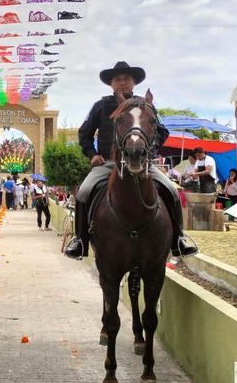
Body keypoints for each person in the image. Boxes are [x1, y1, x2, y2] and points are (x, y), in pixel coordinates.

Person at [64, 61, 198, 259]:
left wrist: (147, 151)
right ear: (111, 84)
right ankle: (80, 241)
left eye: (126, 79)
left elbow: (161, 132)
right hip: (108, 163)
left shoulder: (145, 105)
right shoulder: (101, 106)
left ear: (134, 82)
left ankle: (179, 239)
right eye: (117, 79)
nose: (121, 83)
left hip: (142, 162)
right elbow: (85, 133)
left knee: (172, 191)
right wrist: (93, 155)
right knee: (83, 192)